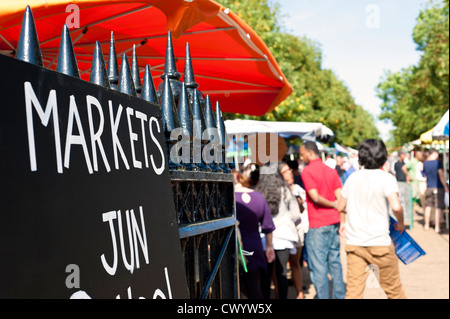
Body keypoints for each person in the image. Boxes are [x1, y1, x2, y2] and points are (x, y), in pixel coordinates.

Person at [337, 139, 406, 299]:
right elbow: (396, 207)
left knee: (353, 293)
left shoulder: (352, 178)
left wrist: (343, 222)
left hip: (355, 245)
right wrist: (401, 223)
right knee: (394, 292)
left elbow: (340, 206)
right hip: (380, 244)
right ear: (383, 157)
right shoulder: (386, 178)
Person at [299, 141, 345, 299]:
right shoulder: (331, 171)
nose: (301, 156)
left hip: (318, 224)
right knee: (335, 263)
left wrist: (332, 204)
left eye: (302, 153)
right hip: (334, 222)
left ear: (310, 153)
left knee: (318, 266)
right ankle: (339, 296)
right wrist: (341, 219)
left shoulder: (307, 171)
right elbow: (340, 198)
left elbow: (315, 197)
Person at [254, 163, 302, 299]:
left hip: (264, 238)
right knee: (281, 274)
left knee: (265, 276)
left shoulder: (258, 192)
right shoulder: (285, 190)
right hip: (284, 237)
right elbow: (296, 215)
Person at [234, 169, 276, 299]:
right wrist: (269, 247)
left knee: (240, 287)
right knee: (253, 285)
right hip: (255, 245)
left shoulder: (231, 197)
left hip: (237, 246)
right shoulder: (258, 196)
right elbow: (267, 226)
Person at [279, 161, 309, 299]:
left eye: (289, 170)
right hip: (282, 231)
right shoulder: (278, 190)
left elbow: (302, 211)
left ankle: (300, 293)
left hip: (297, 228)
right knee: (280, 266)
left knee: (295, 262)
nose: (290, 173)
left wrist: (299, 202)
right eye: (285, 171)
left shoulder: (298, 188)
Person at [422, 149, 449, 233]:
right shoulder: (438, 163)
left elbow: (425, 175)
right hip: (438, 187)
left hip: (429, 187)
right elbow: (440, 174)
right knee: (438, 207)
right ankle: (437, 226)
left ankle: (426, 225)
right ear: (434, 153)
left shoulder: (425, 163)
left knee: (428, 207)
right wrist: (445, 186)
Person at [394, 151, 411, 224]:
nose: (404, 156)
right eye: (403, 155)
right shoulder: (396, 164)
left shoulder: (405, 164)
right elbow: (395, 173)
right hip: (398, 182)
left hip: (404, 183)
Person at [406, 150, 424, 214]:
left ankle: (414, 211)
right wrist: (408, 177)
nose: (422, 156)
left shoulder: (418, 162)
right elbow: (404, 167)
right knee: (412, 198)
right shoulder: (412, 161)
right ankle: (412, 212)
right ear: (417, 155)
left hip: (417, 182)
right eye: (421, 155)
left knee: (417, 198)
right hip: (413, 183)